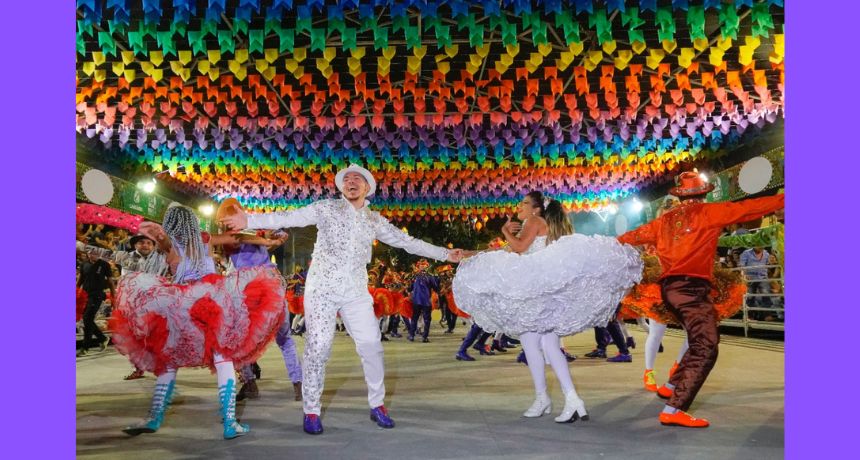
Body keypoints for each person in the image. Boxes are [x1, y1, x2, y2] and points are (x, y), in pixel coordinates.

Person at [219, 163, 465, 435]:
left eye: (357, 179)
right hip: (322, 289)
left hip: (355, 292)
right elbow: (288, 216)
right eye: (346, 179)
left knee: (372, 345)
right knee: (318, 348)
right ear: (341, 187)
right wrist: (249, 221)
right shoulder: (326, 208)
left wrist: (445, 254)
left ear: (367, 188)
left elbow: (408, 242)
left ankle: (378, 405)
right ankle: (311, 410)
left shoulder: (374, 220)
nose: (351, 182)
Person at [453, 192, 642, 423]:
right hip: (540, 293)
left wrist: (504, 231)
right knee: (546, 345)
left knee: (535, 344)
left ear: (536, 209)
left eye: (524, 203)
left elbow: (519, 248)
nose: (519, 206)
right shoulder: (536, 224)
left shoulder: (533, 221)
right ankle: (568, 400)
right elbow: (504, 251)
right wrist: (469, 254)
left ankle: (548, 399)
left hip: (535, 293)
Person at [617, 170, 784, 428]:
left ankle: (671, 386)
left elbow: (628, 238)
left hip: (670, 289)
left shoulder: (663, 222)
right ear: (703, 195)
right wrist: (783, 199)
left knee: (700, 340)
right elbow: (747, 209)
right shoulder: (707, 213)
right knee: (706, 345)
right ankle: (674, 408)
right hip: (691, 291)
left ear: (681, 196)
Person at [111, 205, 286, 440]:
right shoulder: (205, 238)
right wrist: (268, 243)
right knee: (222, 356)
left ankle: (154, 418)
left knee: (169, 360)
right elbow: (237, 236)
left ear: (170, 223)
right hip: (211, 301)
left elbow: (161, 239)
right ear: (193, 222)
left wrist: (145, 228)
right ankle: (229, 422)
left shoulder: (169, 243)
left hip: (179, 304)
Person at [80, 232, 171, 379]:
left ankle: (162, 368)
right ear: (135, 244)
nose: (145, 245)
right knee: (134, 339)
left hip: (154, 304)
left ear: (153, 246)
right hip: (132, 305)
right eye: (142, 242)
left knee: (157, 337)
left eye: (149, 243)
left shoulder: (160, 260)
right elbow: (104, 252)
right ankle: (138, 368)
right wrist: (81, 246)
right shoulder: (126, 257)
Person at [76, 249, 115, 356]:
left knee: (87, 318)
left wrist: (113, 297)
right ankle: (101, 339)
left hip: (97, 295)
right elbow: (80, 280)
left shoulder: (104, 264)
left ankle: (86, 347)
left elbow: (111, 282)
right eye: (90, 252)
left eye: (95, 252)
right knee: (87, 319)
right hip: (85, 294)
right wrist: (76, 291)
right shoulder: (84, 264)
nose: (92, 254)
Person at [406, 259, 440, 343]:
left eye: (423, 265)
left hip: (420, 301)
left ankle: (413, 336)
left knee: (418, 318)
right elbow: (436, 288)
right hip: (422, 301)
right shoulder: (427, 276)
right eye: (421, 265)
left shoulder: (417, 276)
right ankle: (420, 336)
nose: (422, 266)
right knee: (423, 319)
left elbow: (409, 288)